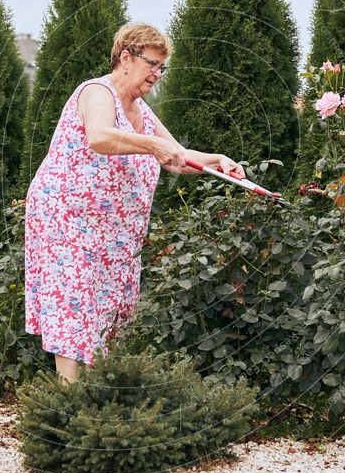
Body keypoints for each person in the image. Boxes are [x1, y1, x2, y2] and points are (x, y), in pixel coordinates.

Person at [24, 22, 245, 383]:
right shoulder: (97, 92)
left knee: (112, 306)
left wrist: (216, 159)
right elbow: (99, 137)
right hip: (69, 219)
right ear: (125, 57)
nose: (157, 73)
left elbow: (177, 155)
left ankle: (99, 397)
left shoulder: (139, 107)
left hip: (115, 230)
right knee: (75, 303)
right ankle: (69, 404)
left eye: (162, 67)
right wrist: (151, 145)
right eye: (152, 64)